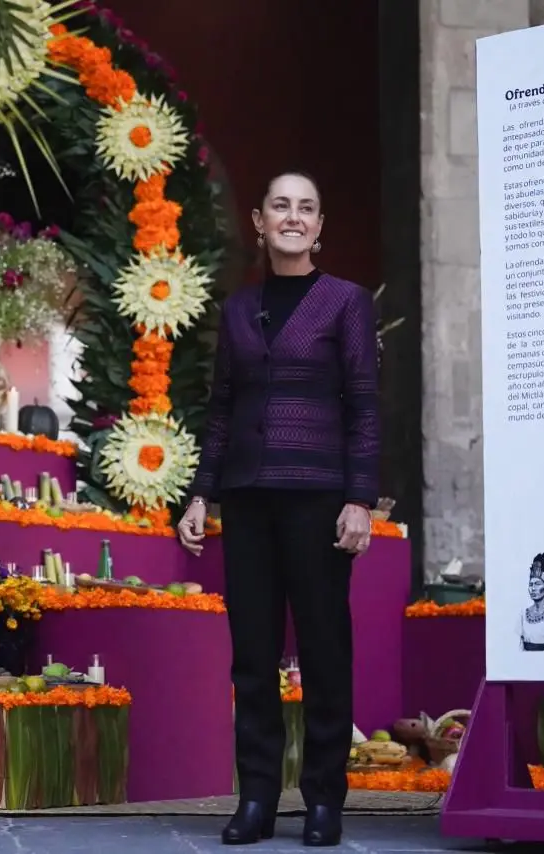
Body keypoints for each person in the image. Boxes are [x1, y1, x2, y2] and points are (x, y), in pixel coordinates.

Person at [176, 171, 378, 847]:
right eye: (281, 206)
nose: (293, 217)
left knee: (323, 651)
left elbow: (365, 405)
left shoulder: (346, 302)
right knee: (252, 657)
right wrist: (201, 492)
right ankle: (258, 799)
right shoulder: (239, 310)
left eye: (307, 208)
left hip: (319, 498)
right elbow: (223, 409)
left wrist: (358, 498)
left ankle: (323, 801)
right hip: (248, 499)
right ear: (259, 222)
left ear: (320, 227)